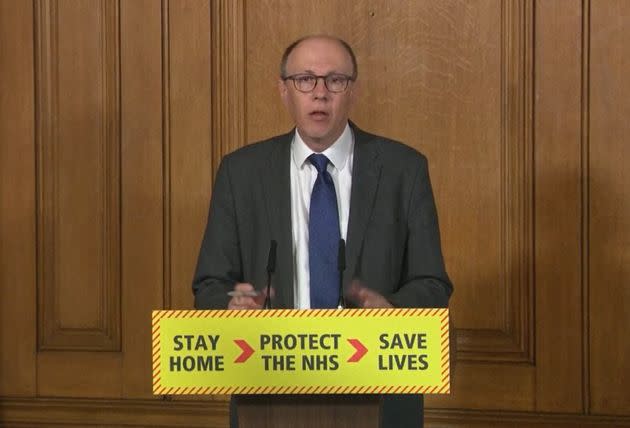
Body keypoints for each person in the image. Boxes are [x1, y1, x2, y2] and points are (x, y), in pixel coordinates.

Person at [193, 34, 452, 428]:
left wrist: (393, 312)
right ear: (284, 91)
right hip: (267, 391)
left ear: (354, 91)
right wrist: (233, 305)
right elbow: (210, 283)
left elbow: (432, 284)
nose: (320, 94)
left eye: (335, 80)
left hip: (379, 389)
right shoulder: (241, 172)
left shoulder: (404, 169)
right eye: (305, 80)